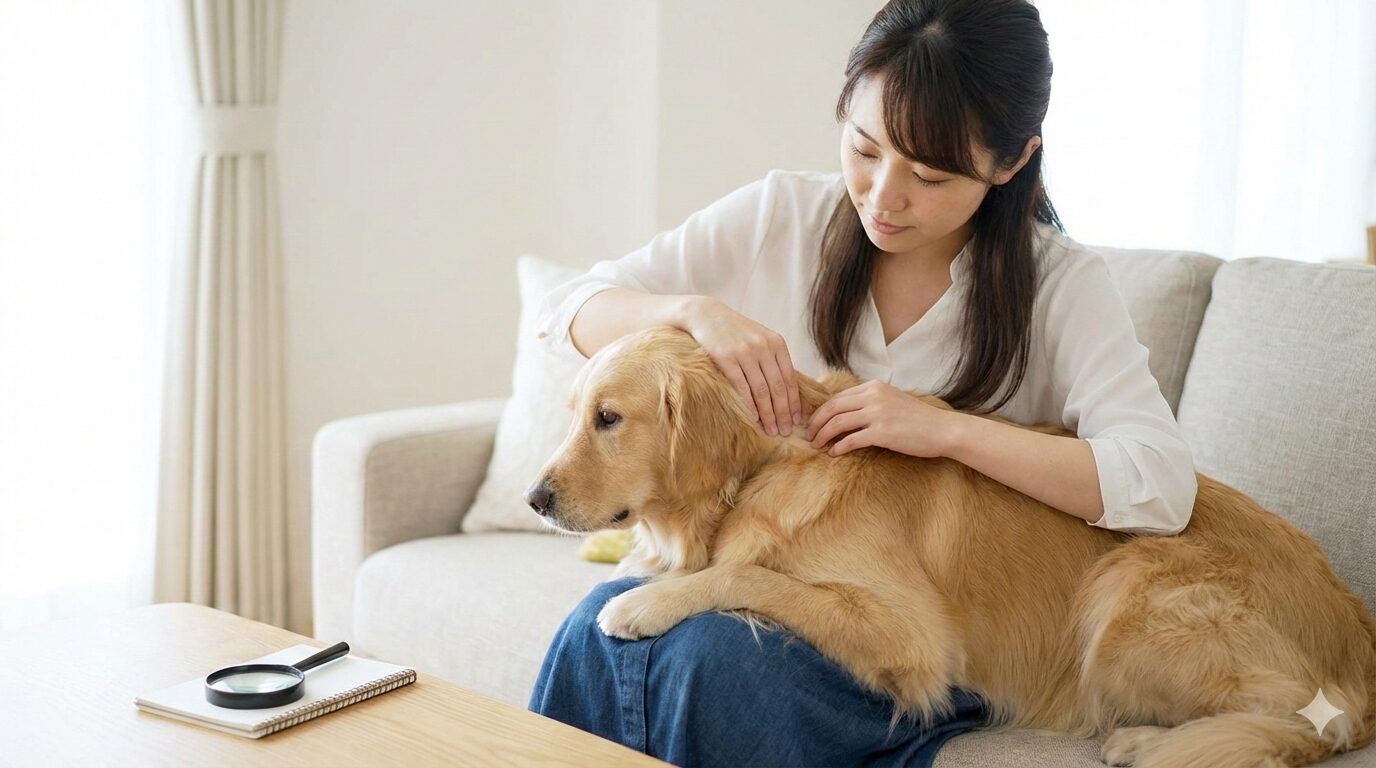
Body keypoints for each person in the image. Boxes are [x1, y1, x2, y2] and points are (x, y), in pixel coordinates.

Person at [527, 0, 1198, 764]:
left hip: (943, 621)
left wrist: (947, 429)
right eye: (866, 148)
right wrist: (694, 311)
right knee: (594, 629)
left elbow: (1160, 482)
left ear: (1011, 164)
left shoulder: (1062, 285)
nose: (883, 196)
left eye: (931, 175)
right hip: (767, 558)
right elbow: (561, 313)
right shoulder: (786, 213)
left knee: (713, 662)